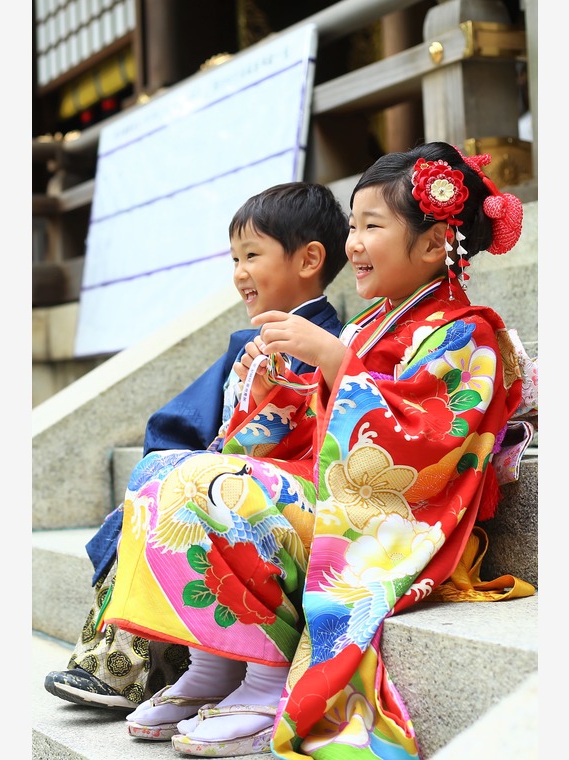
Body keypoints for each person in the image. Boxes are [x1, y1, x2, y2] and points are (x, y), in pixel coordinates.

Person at [99, 141, 526, 758]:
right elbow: (311, 429)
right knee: (162, 469)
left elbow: (421, 440)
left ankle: (268, 678)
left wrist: (330, 358)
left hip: (395, 523)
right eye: (352, 225)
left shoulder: (469, 331)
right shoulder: (369, 324)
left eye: (371, 226)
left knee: (219, 487)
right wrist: (273, 386)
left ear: (435, 244)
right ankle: (214, 662)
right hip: (330, 490)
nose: (353, 243)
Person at [43, 181, 351, 710]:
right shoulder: (251, 343)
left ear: (310, 259)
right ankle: (110, 664)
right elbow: (195, 418)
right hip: (233, 471)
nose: (239, 273)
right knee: (154, 489)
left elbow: (287, 436)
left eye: (252, 255)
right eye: (234, 258)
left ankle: (133, 672)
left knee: (174, 497)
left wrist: (200, 462)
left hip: (273, 493)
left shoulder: (326, 344)